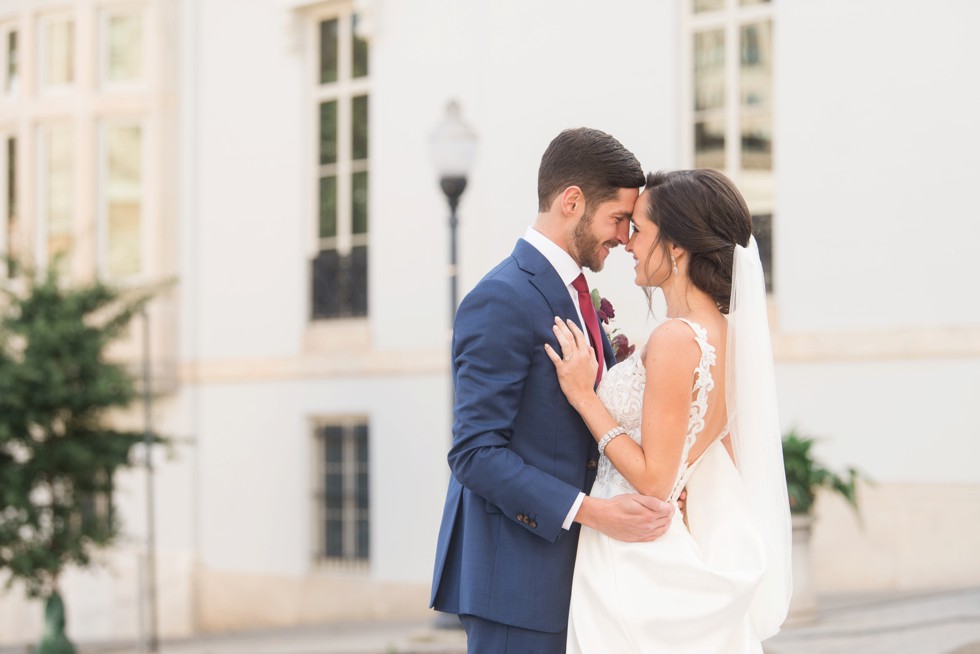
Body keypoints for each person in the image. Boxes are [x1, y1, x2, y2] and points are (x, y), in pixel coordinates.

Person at [430, 128, 676, 653]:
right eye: (617, 220)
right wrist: (593, 511)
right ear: (572, 202)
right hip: (515, 583)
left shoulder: (576, 294)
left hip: (581, 580)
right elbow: (475, 452)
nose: (624, 238)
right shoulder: (500, 298)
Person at [546, 168, 793, 653]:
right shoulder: (728, 337)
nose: (628, 243)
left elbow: (655, 480)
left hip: (634, 561)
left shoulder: (675, 339)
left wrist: (584, 396)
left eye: (639, 230)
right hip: (665, 545)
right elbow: (711, 457)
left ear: (675, 246)